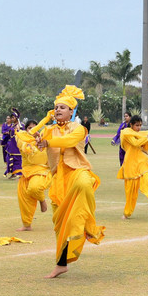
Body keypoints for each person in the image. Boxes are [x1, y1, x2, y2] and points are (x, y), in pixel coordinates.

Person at [35, 85, 105, 278]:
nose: (58, 110)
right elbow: (35, 139)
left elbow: (67, 142)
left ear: (72, 111)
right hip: (59, 177)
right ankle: (61, 263)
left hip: (77, 170)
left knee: (84, 184)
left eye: (62, 107)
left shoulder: (79, 129)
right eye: (56, 107)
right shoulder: (48, 130)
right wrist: (35, 134)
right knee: (60, 223)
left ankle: (89, 226)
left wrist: (48, 142)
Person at [117, 115, 148, 218]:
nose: (139, 128)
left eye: (140, 125)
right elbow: (135, 143)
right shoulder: (126, 133)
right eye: (137, 125)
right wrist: (147, 137)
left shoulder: (141, 134)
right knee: (131, 191)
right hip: (131, 163)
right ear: (131, 125)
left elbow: (145, 147)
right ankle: (127, 213)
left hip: (142, 162)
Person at [15, 119, 52, 231]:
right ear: (26, 130)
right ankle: (27, 225)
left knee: (34, 188)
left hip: (42, 171)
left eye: (35, 128)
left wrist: (40, 142)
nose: (32, 130)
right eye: (30, 128)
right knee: (24, 198)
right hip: (27, 172)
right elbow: (25, 148)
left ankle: (42, 200)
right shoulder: (23, 139)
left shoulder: (43, 140)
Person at [4, 112, 23, 178]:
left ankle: (19, 174)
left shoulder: (20, 125)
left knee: (17, 159)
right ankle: (13, 173)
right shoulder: (12, 125)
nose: (12, 119)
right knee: (9, 158)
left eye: (13, 117)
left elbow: (23, 134)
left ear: (16, 118)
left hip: (17, 145)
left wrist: (19, 130)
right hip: (11, 145)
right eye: (11, 117)